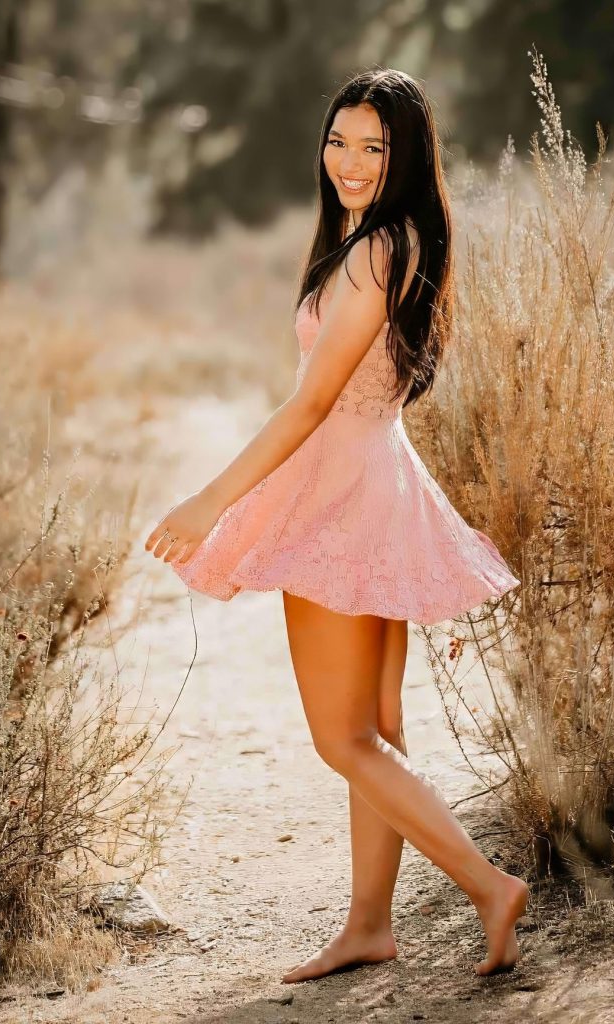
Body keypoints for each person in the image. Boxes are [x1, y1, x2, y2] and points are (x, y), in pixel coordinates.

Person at [144, 67, 526, 983]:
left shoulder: (370, 252)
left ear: (406, 158)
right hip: (379, 476)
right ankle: (367, 925)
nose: (350, 163)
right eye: (339, 141)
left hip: (345, 490)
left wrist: (209, 503)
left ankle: (489, 885)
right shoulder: (387, 239)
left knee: (342, 738)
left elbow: (310, 405)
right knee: (377, 728)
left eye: (374, 148)